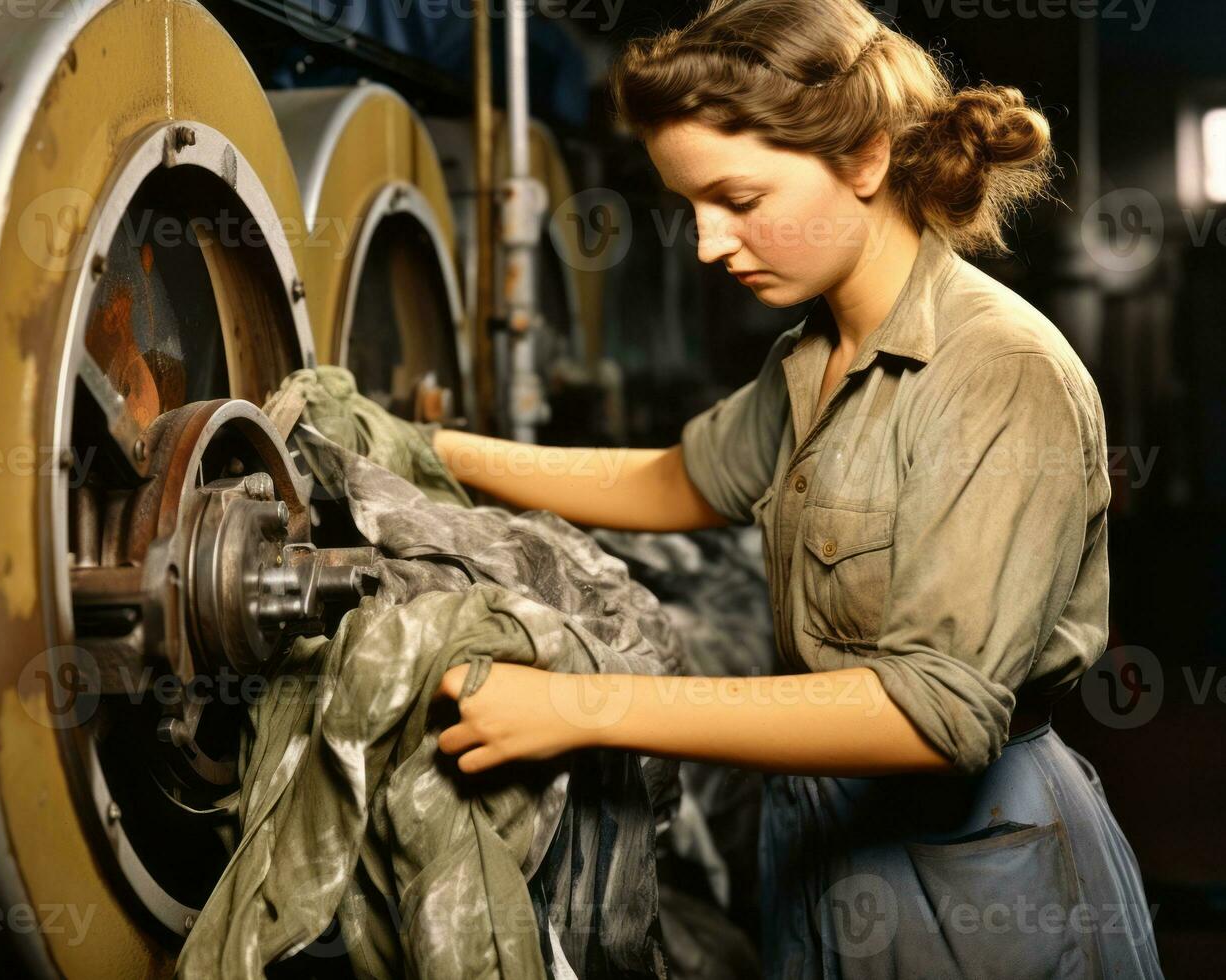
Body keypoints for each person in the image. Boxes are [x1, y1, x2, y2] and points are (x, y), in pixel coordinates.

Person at [428, 1, 1163, 975]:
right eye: (690, 208)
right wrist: (429, 450)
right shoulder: (810, 353)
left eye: (736, 198)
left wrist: (581, 705)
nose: (706, 243)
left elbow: (932, 713)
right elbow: (676, 480)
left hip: (972, 873)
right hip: (815, 836)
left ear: (862, 159)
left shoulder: (994, 367)